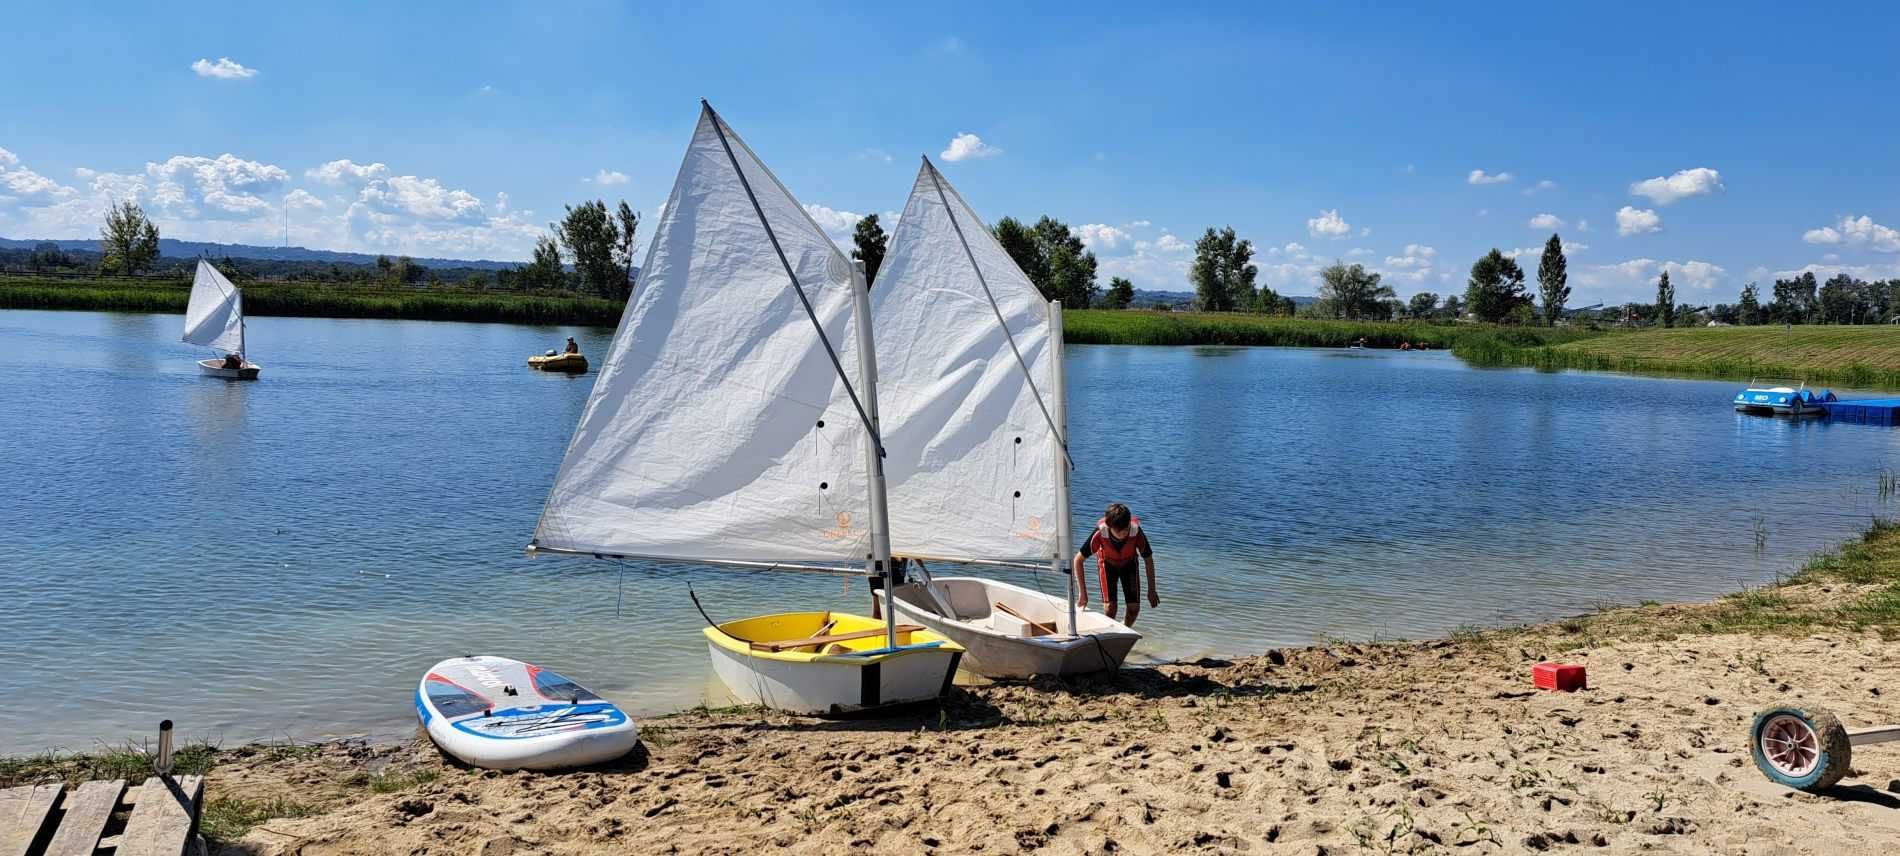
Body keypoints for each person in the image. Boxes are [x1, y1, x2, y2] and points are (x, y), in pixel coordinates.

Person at [1072, 502, 1158, 627]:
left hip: (1129, 565)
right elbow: (1078, 560)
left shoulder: (1135, 531)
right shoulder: (1101, 533)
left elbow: (1148, 559)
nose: (1123, 534)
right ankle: (1110, 634)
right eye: (1119, 532)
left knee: (1134, 609)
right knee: (1110, 609)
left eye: (1126, 530)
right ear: (1109, 526)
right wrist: (1083, 593)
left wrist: (1152, 590)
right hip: (1108, 566)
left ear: (1129, 523)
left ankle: (1124, 629)